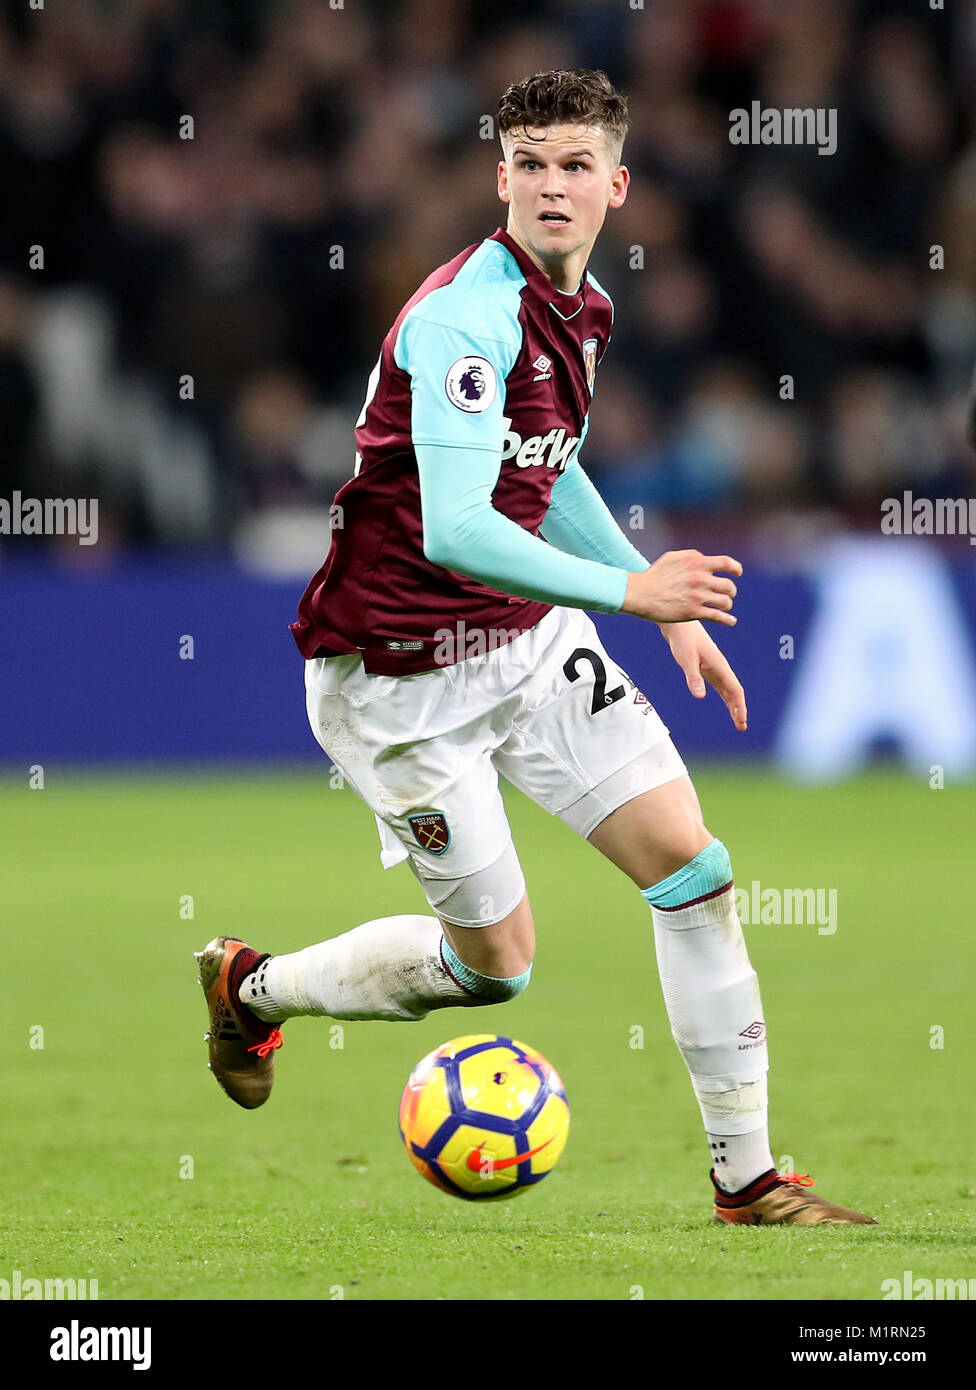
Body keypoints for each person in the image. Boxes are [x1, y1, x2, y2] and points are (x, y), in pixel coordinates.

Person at [196, 69, 874, 1225]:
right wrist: (631, 587)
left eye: (574, 166)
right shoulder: (467, 316)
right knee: (494, 967)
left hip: (523, 641)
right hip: (399, 674)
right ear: (497, 175)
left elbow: (542, 475)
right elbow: (460, 527)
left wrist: (658, 607)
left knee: (693, 871)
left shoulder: (584, 307)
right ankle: (253, 987)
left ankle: (747, 1177)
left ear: (617, 184)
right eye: (529, 164)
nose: (551, 187)